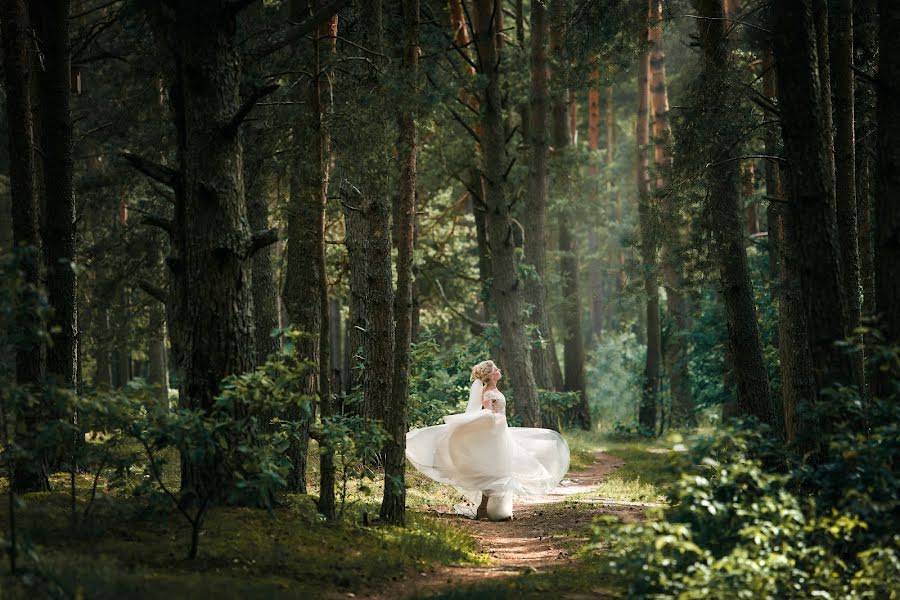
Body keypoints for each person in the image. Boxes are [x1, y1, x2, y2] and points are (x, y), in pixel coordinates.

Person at [405, 359, 570, 521]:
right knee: (492, 469)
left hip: (501, 432)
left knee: (500, 468)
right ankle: (483, 508)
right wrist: (495, 420)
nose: (499, 370)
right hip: (494, 433)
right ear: (491, 375)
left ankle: (497, 510)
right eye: (496, 369)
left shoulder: (494, 390)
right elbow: (488, 413)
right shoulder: (487, 392)